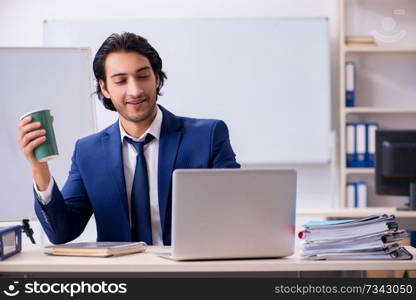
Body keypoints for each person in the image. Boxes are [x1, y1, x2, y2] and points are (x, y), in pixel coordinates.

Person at [17, 32, 240, 245]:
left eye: (143, 76)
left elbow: (238, 210)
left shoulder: (208, 136)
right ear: (104, 88)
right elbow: (62, 232)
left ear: (157, 80)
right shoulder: (88, 151)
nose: (134, 90)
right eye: (121, 81)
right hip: (120, 277)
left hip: (189, 273)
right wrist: (40, 169)